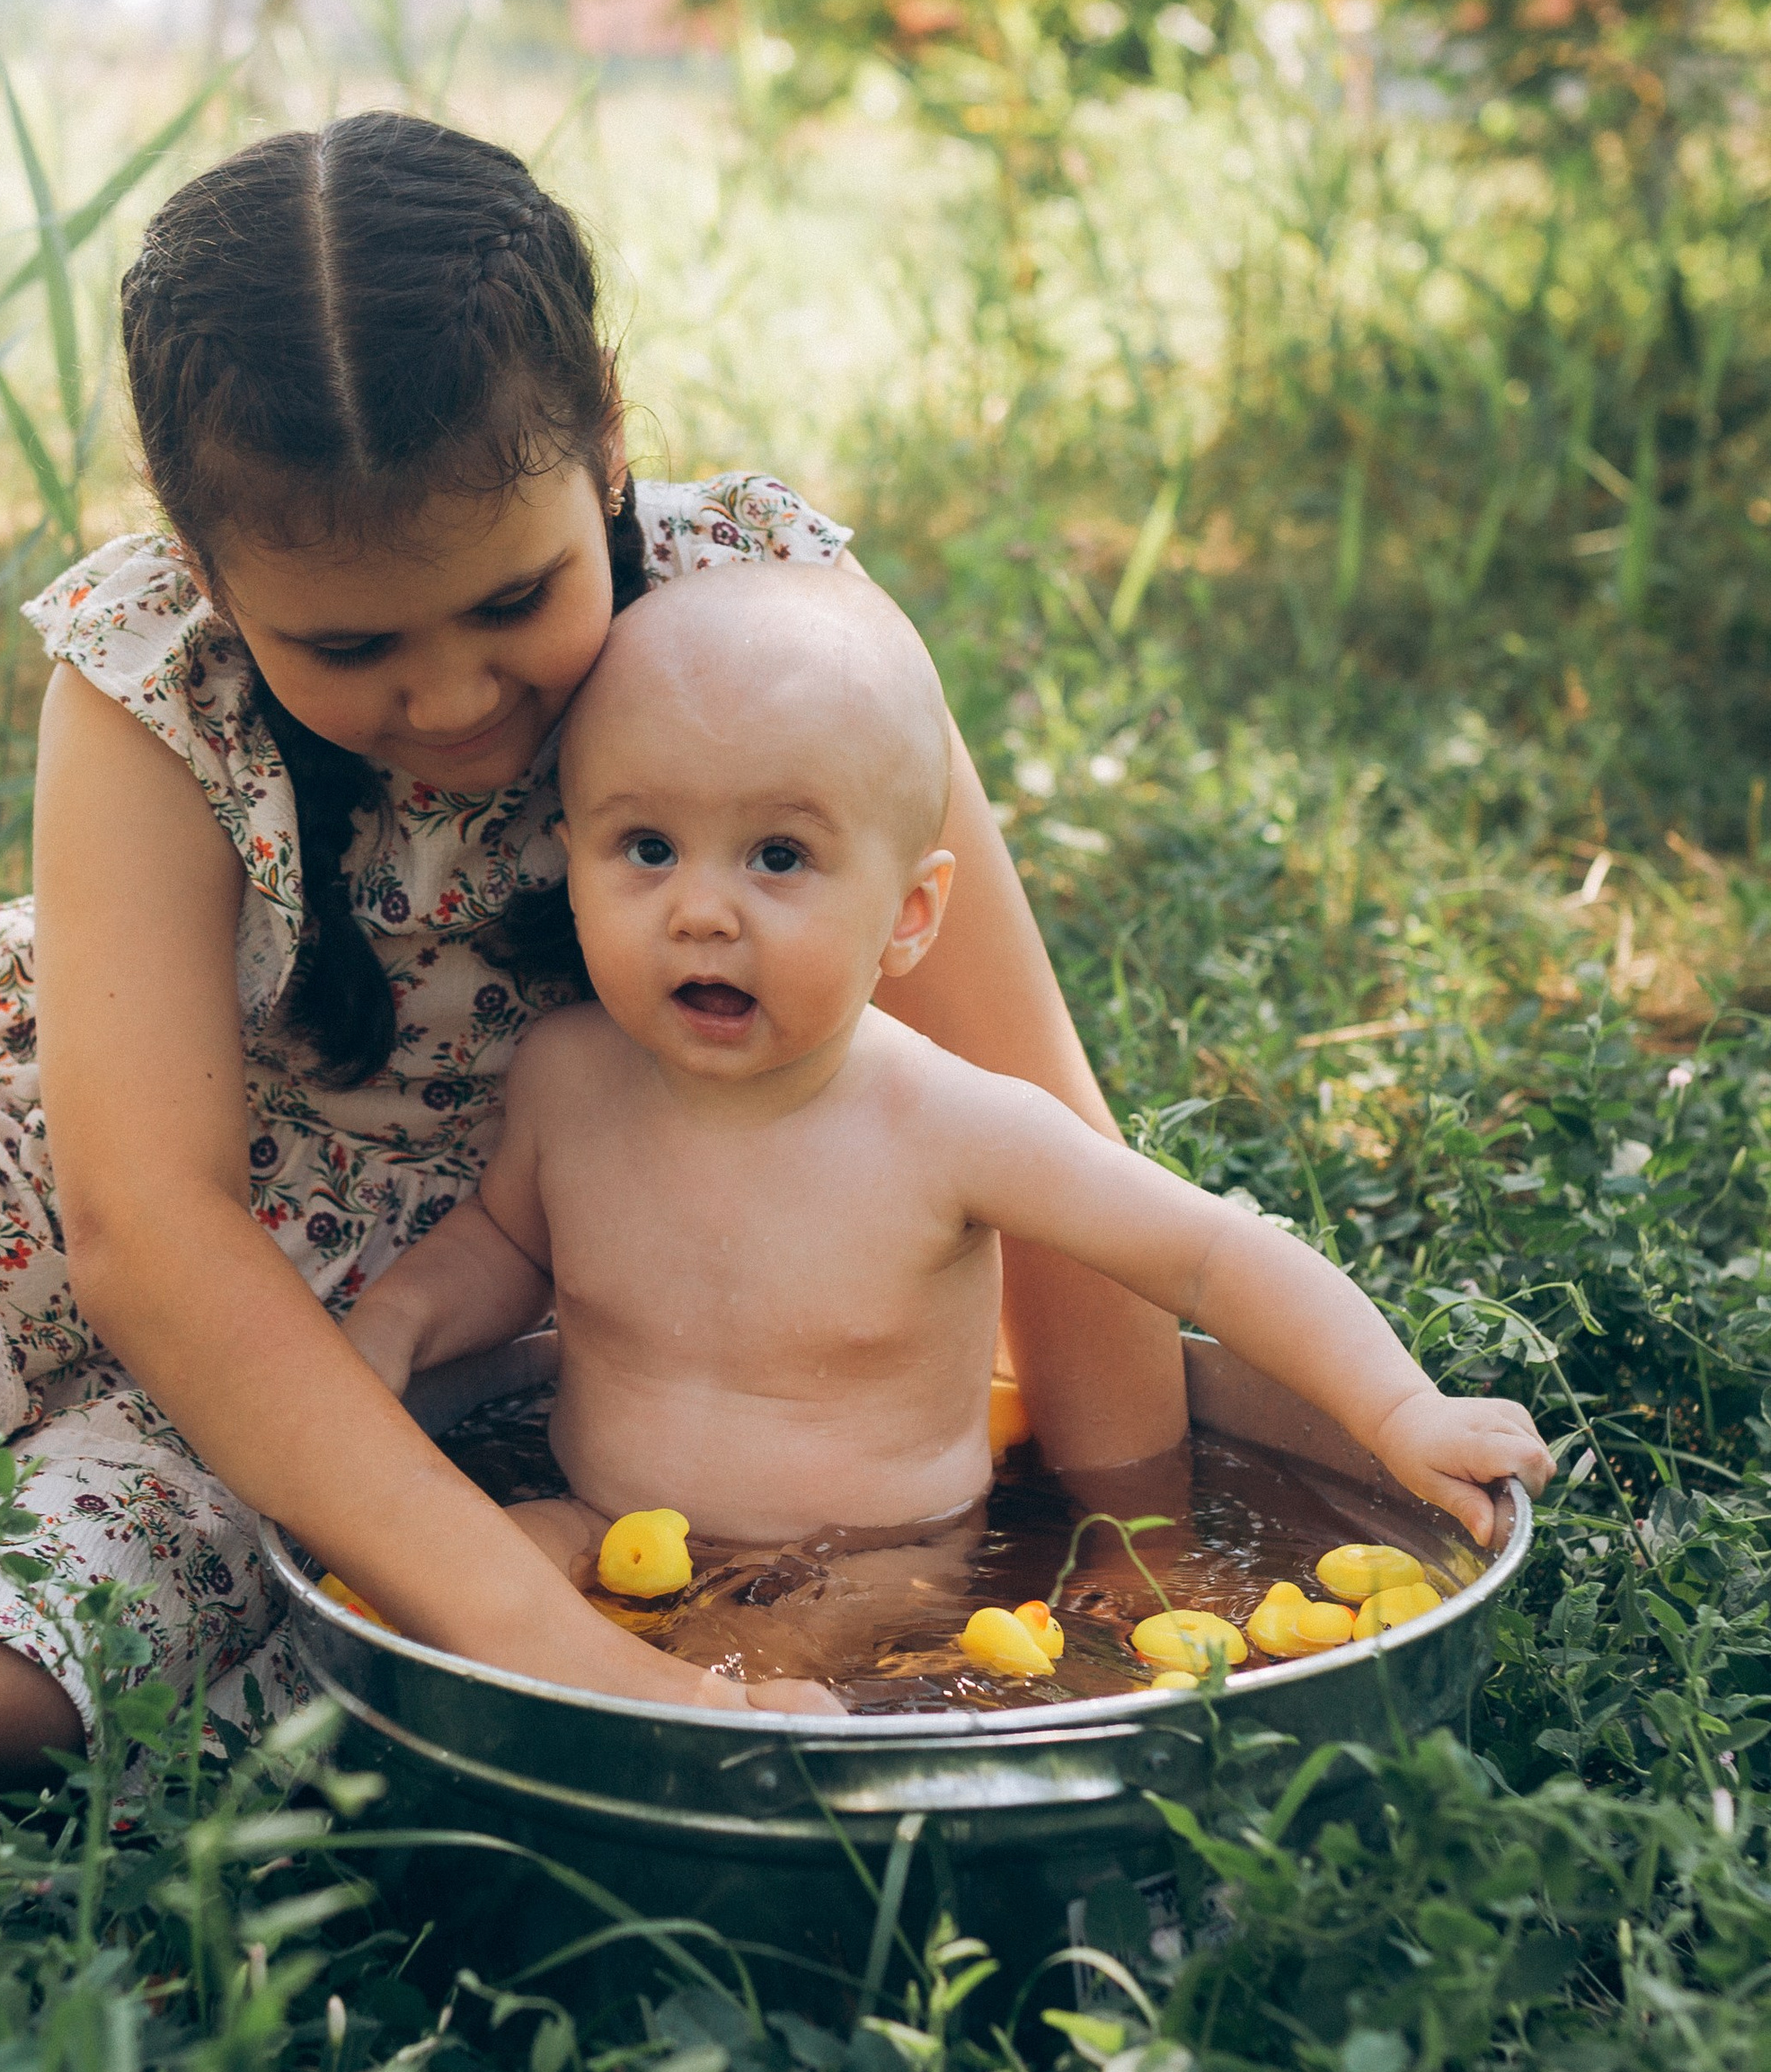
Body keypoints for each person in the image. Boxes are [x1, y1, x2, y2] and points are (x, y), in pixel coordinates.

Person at [0, 112, 1187, 1792]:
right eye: (351, 644)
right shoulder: (160, 681)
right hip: (34, 1163)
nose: (448, 699)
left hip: (378, 1305)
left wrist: (1135, 1552)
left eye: (515, 602)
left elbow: (1031, 1115)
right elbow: (147, 1229)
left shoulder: (773, 639)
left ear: (604, 445)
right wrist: (537, 1629)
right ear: (203, 558)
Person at [341, 566, 1553, 1645]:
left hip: (867, 1576)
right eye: (647, 848)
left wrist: (1400, 1412)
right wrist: (395, 1324)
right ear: (573, 851)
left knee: (762, 1680)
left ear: (911, 915)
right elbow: (503, 1247)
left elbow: (1211, 1258)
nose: (701, 911)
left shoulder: (955, 1128)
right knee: (452, 1592)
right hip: (593, 1516)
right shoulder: (567, 1077)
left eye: (776, 858)